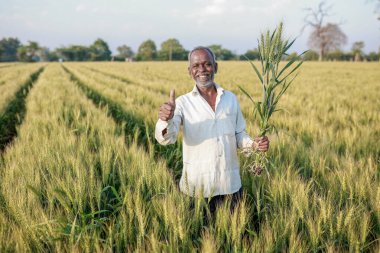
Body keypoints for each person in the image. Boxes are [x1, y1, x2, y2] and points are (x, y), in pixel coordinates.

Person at [155, 46, 269, 213]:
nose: (202, 69)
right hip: (197, 189)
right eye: (196, 66)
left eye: (207, 64)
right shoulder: (182, 103)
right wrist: (165, 119)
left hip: (229, 185)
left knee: (233, 236)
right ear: (189, 71)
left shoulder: (230, 99)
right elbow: (166, 139)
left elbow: (239, 134)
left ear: (215, 67)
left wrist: (254, 145)